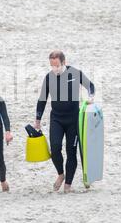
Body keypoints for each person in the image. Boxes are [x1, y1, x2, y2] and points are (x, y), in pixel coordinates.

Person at [34, 51, 95, 193]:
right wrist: (37, 119)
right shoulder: (49, 77)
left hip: (73, 119)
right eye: (52, 65)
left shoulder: (75, 73)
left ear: (63, 62)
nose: (54, 69)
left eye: (56, 65)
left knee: (71, 151)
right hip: (56, 118)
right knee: (54, 149)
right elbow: (42, 99)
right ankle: (61, 174)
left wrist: (91, 97)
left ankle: (68, 185)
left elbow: (90, 86)